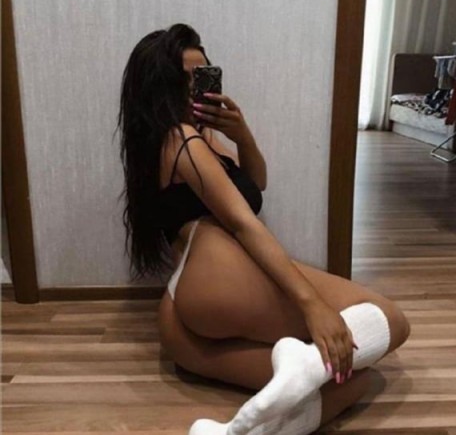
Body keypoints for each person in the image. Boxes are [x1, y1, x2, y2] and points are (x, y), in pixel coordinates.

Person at [117, 23, 411, 435]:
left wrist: (242, 135)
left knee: (350, 380)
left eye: (202, 77)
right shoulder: (181, 138)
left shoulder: (197, 140)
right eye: (184, 80)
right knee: (392, 320)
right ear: (159, 87)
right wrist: (311, 305)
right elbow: (242, 222)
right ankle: (303, 362)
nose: (196, 90)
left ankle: (231, 432)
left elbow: (258, 182)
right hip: (217, 274)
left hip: (181, 320)